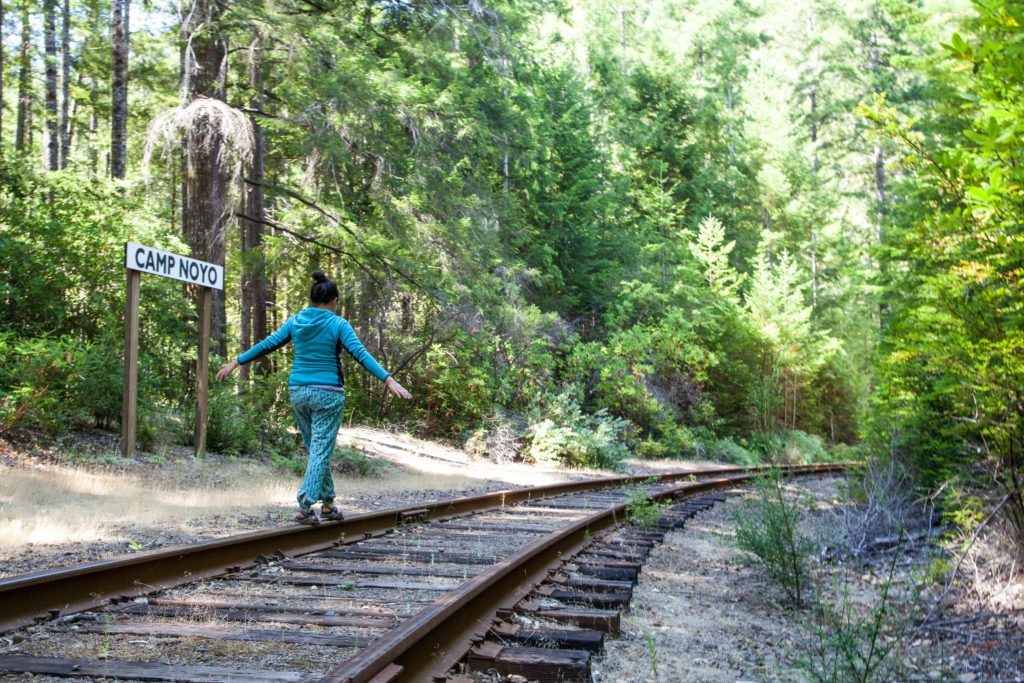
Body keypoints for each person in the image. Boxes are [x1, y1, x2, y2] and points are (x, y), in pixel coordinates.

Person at [216, 270, 411, 525]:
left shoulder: (296, 321)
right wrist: (388, 379)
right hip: (328, 394)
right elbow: (361, 355)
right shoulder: (338, 324)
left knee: (317, 450)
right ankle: (305, 506)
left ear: (312, 299)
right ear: (334, 301)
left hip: (298, 392)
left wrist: (236, 362)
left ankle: (328, 504)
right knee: (320, 451)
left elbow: (268, 344)